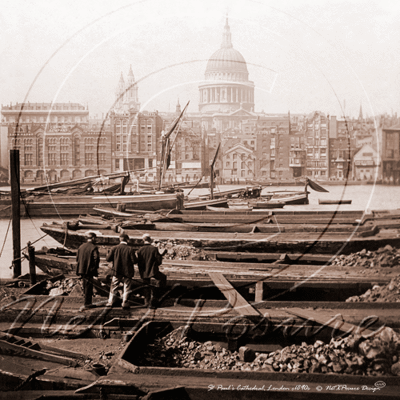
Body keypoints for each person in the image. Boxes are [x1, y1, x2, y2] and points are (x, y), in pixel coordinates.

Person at [106, 233, 137, 309]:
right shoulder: (130, 249)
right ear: (127, 240)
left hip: (116, 270)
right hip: (127, 271)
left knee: (114, 286)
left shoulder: (114, 248)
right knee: (127, 287)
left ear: (120, 239)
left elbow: (108, 259)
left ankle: (110, 302)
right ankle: (125, 302)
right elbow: (134, 261)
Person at [136, 233, 167, 308]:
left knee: (146, 286)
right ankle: (156, 297)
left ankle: (147, 302)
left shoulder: (140, 250)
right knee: (162, 278)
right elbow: (158, 261)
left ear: (143, 240)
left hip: (144, 271)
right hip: (153, 270)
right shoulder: (154, 248)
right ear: (150, 239)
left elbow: (138, 261)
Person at [76, 232, 100, 310]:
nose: (96, 239)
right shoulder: (94, 247)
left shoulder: (81, 246)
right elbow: (96, 259)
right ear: (93, 238)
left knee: (85, 286)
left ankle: (87, 303)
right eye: (95, 238)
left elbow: (77, 258)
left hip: (81, 269)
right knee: (89, 287)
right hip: (89, 270)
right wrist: (94, 268)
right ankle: (88, 304)